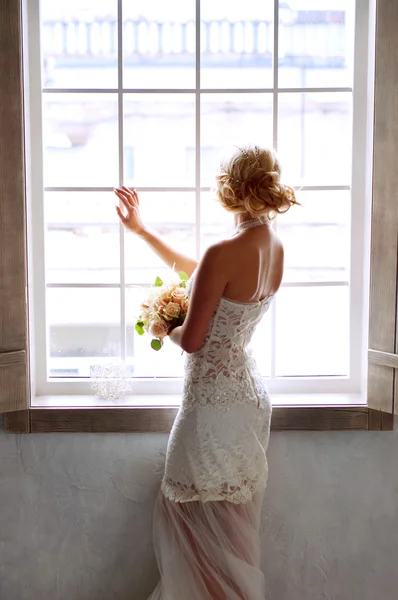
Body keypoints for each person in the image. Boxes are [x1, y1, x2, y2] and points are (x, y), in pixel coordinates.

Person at [114, 144, 298, 599]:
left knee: (194, 529)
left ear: (229, 189)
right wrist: (142, 232)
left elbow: (193, 341)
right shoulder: (273, 246)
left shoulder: (225, 250)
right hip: (246, 400)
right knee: (228, 534)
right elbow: (202, 276)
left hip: (211, 406)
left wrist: (164, 324)